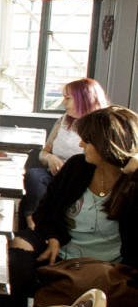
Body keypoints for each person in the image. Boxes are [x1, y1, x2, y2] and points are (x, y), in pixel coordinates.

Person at [0, 106, 138, 307]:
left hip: (112, 271)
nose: (81, 144)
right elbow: (44, 212)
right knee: (13, 261)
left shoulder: (134, 183)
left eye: (87, 140)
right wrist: (53, 236)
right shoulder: (77, 167)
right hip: (62, 255)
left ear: (107, 144)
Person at [23, 78, 109, 221]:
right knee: (34, 176)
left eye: (68, 98)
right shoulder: (63, 120)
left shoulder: (101, 126)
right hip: (55, 176)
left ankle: (46, 222)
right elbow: (44, 152)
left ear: (85, 99)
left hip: (80, 179)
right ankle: (33, 220)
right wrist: (50, 158)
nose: (63, 102)